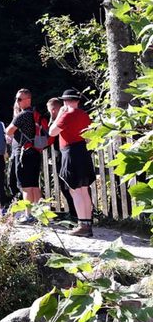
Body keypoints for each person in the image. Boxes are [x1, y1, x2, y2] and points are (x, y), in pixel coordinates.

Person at [50, 89, 96, 237]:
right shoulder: (84, 115)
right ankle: (87, 224)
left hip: (70, 152)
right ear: (77, 101)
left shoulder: (67, 115)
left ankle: (82, 224)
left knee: (75, 190)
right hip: (83, 151)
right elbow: (90, 135)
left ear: (66, 101)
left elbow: (52, 132)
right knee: (84, 189)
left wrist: (59, 116)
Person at [5, 88, 47, 221]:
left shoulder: (22, 115)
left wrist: (15, 115)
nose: (16, 102)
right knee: (34, 184)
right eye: (16, 99)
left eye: (19, 99)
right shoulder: (36, 114)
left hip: (24, 153)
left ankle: (28, 215)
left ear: (28, 100)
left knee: (25, 186)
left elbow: (9, 131)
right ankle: (40, 213)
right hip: (35, 152)